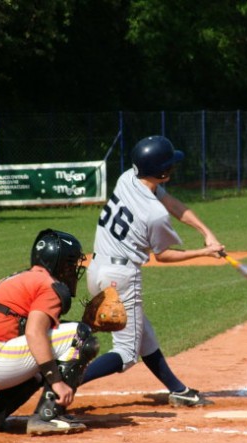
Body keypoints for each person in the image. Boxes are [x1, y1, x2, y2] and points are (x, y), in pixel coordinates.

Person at [81, 135, 224, 407]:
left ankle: (179, 389)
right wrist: (205, 252)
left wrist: (206, 232)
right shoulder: (153, 214)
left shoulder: (128, 179)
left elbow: (173, 204)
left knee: (145, 336)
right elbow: (163, 255)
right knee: (125, 354)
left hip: (97, 268)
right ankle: (67, 381)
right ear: (162, 172)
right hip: (121, 278)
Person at [0, 229, 99, 436]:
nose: (73, 270)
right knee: (79, 336)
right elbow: (35, 333)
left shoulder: (18, 278)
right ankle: (49, 415)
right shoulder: (48, 284)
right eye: (71, 264)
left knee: (45, 353)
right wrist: (57, 382)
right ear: (62, 263)